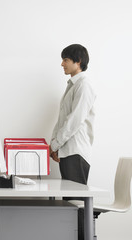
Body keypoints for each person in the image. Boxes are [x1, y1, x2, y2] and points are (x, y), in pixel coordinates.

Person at [49, 44, 96, 240]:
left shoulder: (84, 85)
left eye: (66, 60)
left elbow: (74, 121)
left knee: (77, 206)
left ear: (78, 62)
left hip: (76, 153)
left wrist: (55, 145)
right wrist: (54, 143)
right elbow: (62, 120)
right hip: (68, 152)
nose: (62, 64)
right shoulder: (72, 86)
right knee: (71, 205)